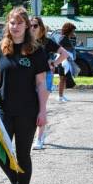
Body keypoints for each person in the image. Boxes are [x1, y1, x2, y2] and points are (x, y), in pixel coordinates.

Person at [0, 7, 49, 184]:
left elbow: (41, 84)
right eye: (12, 23)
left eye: (19, 23)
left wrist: (43, 111)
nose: (15, 27)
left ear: (26, 26)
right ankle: (15, 181)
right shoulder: (0, 48)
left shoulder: (36, 50)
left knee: (23, 154)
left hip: (27, 110)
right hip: (3, 107)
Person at [30, 16, 69, 150]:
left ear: (41, 27)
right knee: (30, 106)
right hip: (29, 77)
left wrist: (53, 63)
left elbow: (64, 54)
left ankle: (39, 138)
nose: (32, 28)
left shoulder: (47, 42)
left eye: (35, 25)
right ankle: (34, 133)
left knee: (41, 105)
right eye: (30, 26)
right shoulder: (25, 42)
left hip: (45, 76)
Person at [57, 22, 76, 102]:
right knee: (62, 78)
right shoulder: (63, 38)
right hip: (63, 61)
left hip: (66, 61)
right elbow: (58, 48)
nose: (73, 32)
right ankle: (60, 96)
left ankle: (61, 95)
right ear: (69, 30)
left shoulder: (66, 38)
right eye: (73, 30)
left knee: (63, 78)